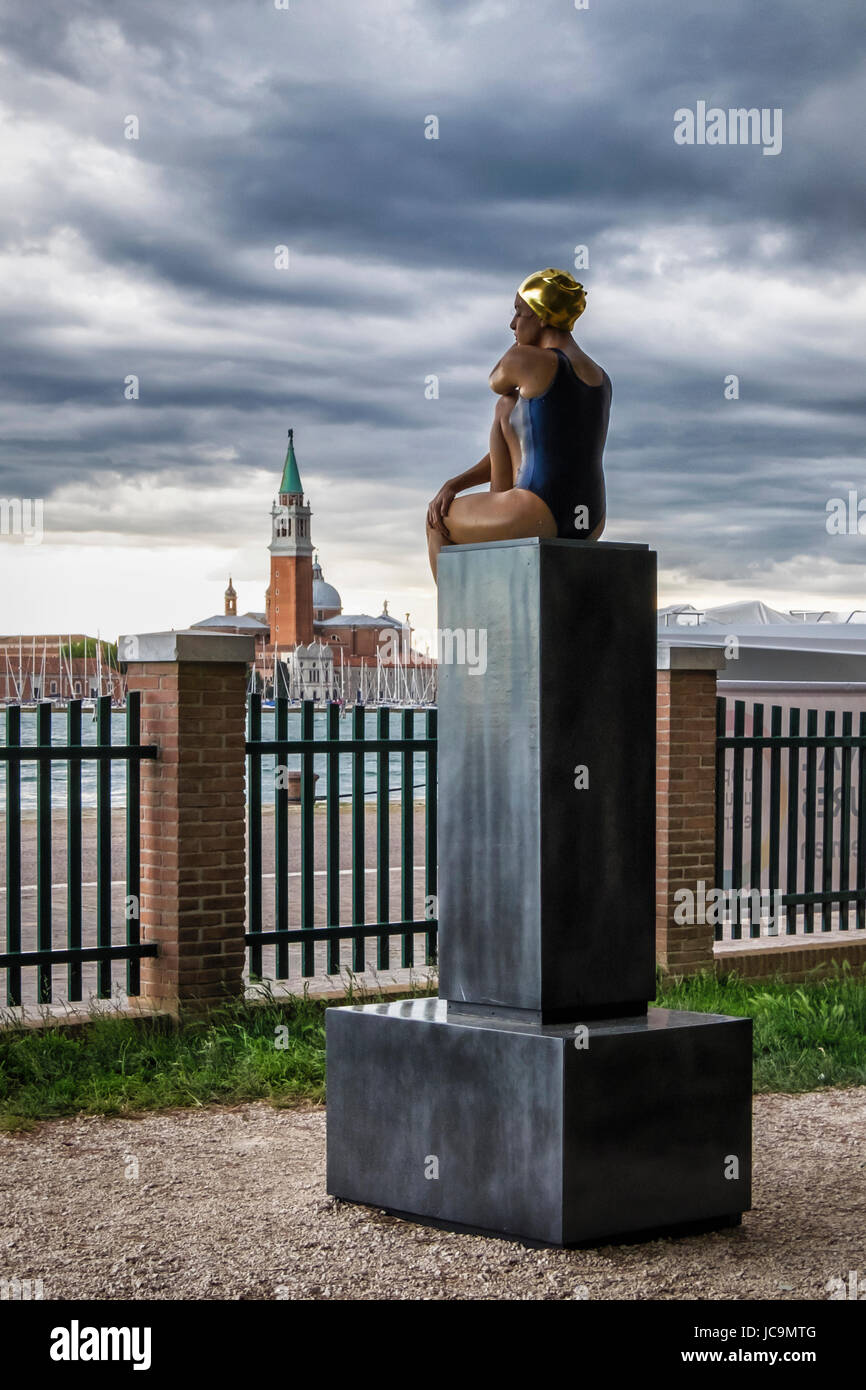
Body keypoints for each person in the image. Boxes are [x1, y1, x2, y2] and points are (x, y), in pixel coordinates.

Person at [426, 267, 612, 581]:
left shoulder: (528, 361)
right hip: (590, 520)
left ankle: (458, 623)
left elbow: (497, 379)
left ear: (542, 317)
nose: (512, 324)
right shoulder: (600, 376)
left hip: (536, 510)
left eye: (519, 313)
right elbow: (547, 448)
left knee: (437, 521)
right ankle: (502, 512)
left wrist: (522, 345)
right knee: (507, 408)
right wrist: (455, 483)